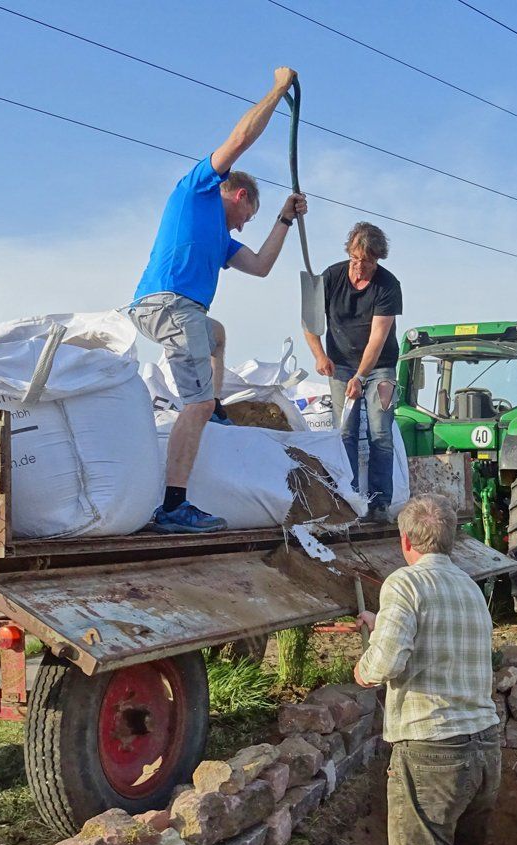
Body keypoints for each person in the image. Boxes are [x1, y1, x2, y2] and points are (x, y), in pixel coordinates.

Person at [130, 67, 308, 533]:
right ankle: (173, 506)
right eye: (249, 215)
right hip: (170, 303)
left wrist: (284, 220)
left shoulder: (222, 239)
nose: (244, 226)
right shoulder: (199, 191)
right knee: (196, 406)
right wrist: (276, 89)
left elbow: (262, 265)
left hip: (178, 312)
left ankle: (215, 406)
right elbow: (241, 138)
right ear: (239, 195)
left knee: (218, 336)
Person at [353, 493, 499, 845]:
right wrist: (381, 622)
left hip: (430, 753)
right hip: (484, 746)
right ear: (454, 540)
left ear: (405, 541)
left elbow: (387, 661)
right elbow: (441, 642)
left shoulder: (404, 582)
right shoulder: (468, 587)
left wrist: (363, 667)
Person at [303, 222, 403, 520]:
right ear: (349, 254)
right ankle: (348, 499)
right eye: (355, 259)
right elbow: (309, 321)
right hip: (339, 364)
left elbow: (377, 339)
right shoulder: (331, 277)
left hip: (380, 367)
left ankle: (379, 503)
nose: (359, 268)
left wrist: (361, 377)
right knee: (344, 431)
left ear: (378, 260)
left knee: (380, 432)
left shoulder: (388, 285)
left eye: (367, 262)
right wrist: (320, 355)